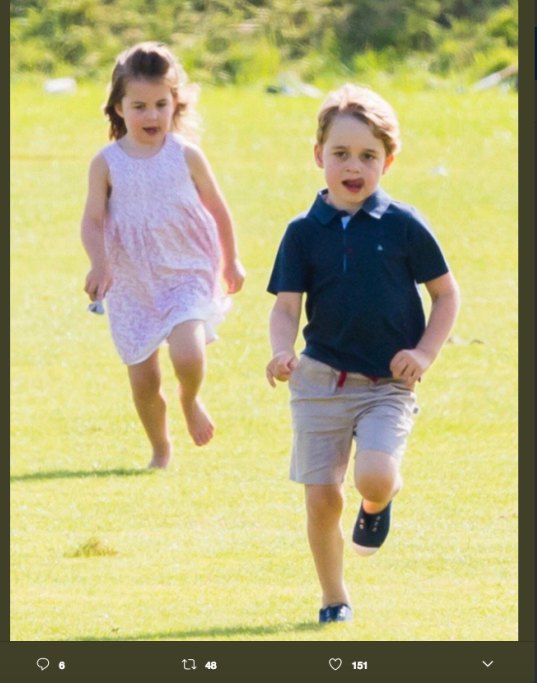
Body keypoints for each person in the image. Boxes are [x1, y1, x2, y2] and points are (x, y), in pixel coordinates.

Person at [266, 84, 460, 624]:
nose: (354, 166)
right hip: (320, 380)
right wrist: (281, 351)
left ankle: (377, 504)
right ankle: (334, 599)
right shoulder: (302, 232)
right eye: (341, 153)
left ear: (388, 161)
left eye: (368, 156)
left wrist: (424, 353)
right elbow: (286, 306)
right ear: (318, 156)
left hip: (387, 385)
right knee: (322, 499)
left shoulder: (404, 225)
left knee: (373, 476)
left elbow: (446, 295)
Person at [81, 42, 245, 468]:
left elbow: (218, 208)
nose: (151, 115)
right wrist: (99, 263)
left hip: (185, 270)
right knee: (143, 380)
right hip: (132, 281)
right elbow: (93, 221)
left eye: (160, 104)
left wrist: (231, 260)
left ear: (176, 104)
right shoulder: (106, 163)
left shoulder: (185, 155)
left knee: (188, 352)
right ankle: (160, 447)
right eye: (139, 106)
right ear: (119, 108)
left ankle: (190, 399)